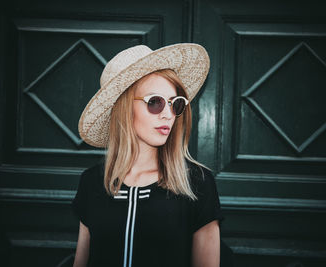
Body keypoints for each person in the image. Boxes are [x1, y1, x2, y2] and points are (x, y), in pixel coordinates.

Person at [72, 43, 224, 267]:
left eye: (175, 104)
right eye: (155, 102)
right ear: (124, 108)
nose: (168, 115)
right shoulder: (92, 182)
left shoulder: (198, 183)